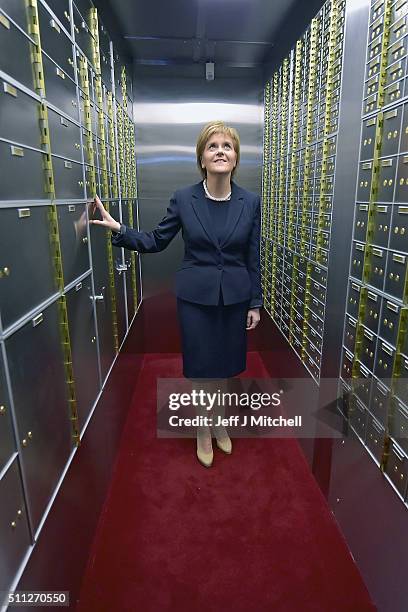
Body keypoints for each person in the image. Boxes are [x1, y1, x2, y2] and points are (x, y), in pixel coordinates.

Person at [90, 120, 262, 468]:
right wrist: (120, 229)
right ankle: (203, 429)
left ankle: (220, 423)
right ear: (202, 158)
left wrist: (255, 302)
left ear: (235, 158)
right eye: (212, 146)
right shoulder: (184, 199)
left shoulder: (250, 201)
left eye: (227, 147)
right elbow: (156, 240)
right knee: (201, 368)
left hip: (235, 296)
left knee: (226, 366)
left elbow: (252, 255)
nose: (220, 152)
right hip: (195, 299)